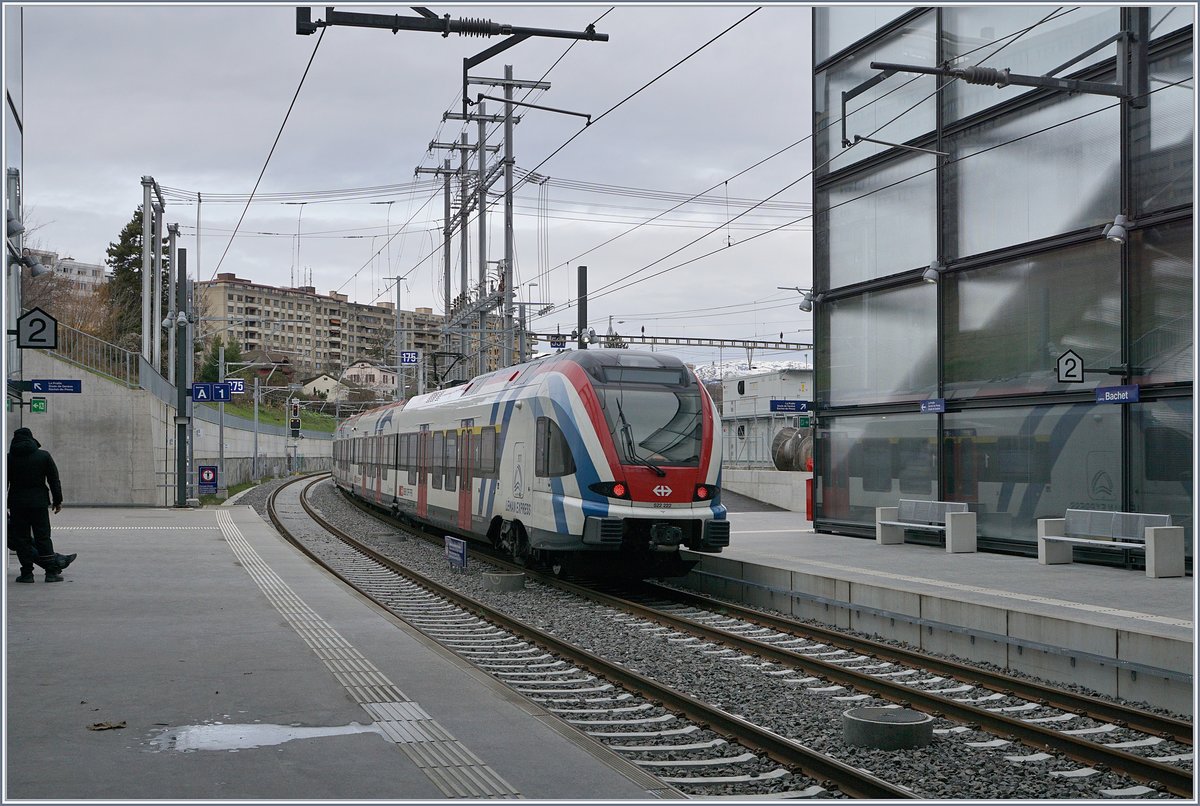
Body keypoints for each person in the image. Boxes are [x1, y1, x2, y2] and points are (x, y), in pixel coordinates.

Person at [7, 427, 76, 583]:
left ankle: (26, 574)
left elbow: (3, 484)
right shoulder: (43, 456)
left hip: (17, 504)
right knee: (43, 537)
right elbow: (54, 480)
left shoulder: (9, 459)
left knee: (21, 539)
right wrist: (57, 500)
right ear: (32, 439)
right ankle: (51, 573)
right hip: (39, 503)